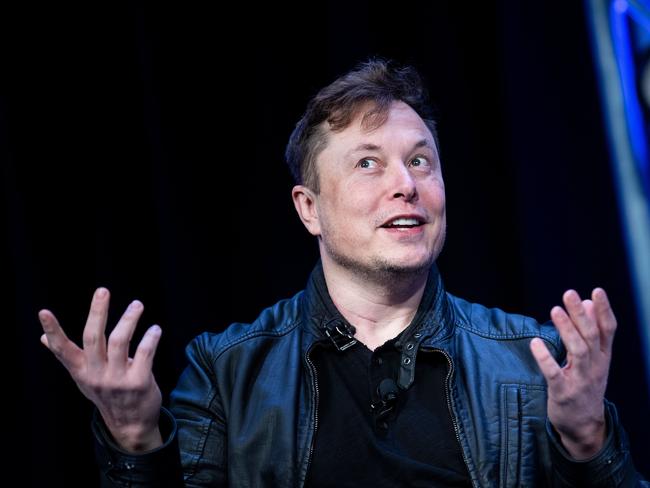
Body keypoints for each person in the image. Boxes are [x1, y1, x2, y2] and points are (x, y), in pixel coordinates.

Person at [39, 59, 647, 487]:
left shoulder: (532, 358)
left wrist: (588, 441)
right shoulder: (227, 370)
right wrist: (134, 439)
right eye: (368, 163)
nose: (406, 184)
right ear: (310, 209)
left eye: (419, 161)